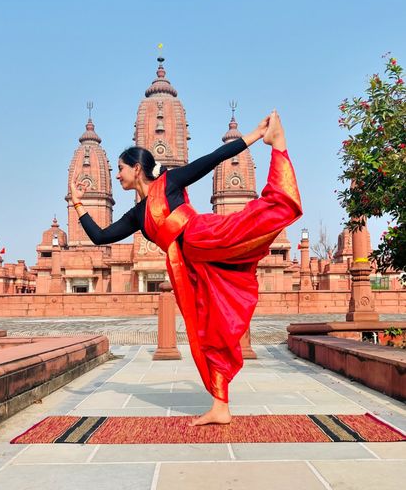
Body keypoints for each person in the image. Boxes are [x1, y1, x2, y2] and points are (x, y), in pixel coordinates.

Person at [70, 111, 302, 426]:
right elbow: (100, 236)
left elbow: (212, 159)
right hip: (188, 266)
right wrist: (78, 203)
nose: (117, 175)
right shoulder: (137, 215)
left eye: (121, 169)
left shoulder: (169, 183)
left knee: (256, 221)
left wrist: (253, 135)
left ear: (137, 168)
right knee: (207, 328)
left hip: (202, 236)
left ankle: (279, 149)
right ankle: (221, 406)